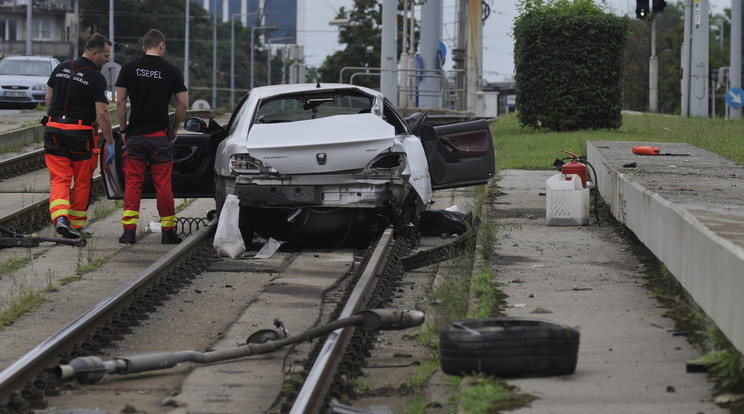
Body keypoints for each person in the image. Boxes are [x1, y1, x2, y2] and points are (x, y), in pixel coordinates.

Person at [115, 29, 187, 245]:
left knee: (133, 183)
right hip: (159, 138)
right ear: (162, 45)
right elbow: (183, 103)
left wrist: (124, 129)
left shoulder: (128, 68)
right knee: (163, 184)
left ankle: (129, 233)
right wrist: (174, 128)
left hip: (136, 137)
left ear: (144, 46)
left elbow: (119, 102)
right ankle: (168, 232)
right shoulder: (171, 71)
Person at [44, 33, 115, 239]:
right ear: (95, 54)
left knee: (59, 179)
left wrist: (53, 120)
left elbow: (48, 98)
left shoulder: (60, 68)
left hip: (54, 129)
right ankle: (75, 224)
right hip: (81, 134)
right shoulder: (96, 77)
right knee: (83, 181)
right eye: (106, 55)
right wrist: (109, 142)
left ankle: (60, 219)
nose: (108, 60)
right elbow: (102, 112)